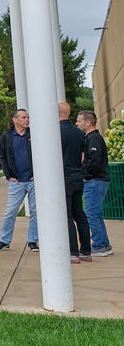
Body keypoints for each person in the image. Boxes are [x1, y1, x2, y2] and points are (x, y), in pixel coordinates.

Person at [0, 108, 38, 251]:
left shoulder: (33, 134)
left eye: (27, 117)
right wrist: (9, 176)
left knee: (35, 211)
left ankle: (33, 241)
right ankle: (4, 240)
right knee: (10, 211)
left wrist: (37, 173)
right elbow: (3, 157)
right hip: (16, 182)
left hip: (33, 181)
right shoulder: (7, 136)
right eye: (24, 117)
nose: (27, 120)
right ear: (15, 119)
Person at [59, 101, 91, 263]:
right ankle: (86, 251)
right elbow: (83, 156)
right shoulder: (79, 132)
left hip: (64, 178)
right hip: (77, 177)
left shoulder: (56, 131)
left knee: (67, 216)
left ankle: (73, 252)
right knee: (80, 214)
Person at [78, 110, 112, 257]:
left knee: (91, 213)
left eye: (79, 121)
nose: (77, 123)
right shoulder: (92, 138)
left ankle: (98, 245)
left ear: (88, 123)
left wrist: (85, 175)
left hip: (95, 181)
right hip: (97, 180)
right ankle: (104, 244)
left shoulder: (94, 139)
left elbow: (94, 161)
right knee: (95, 214)